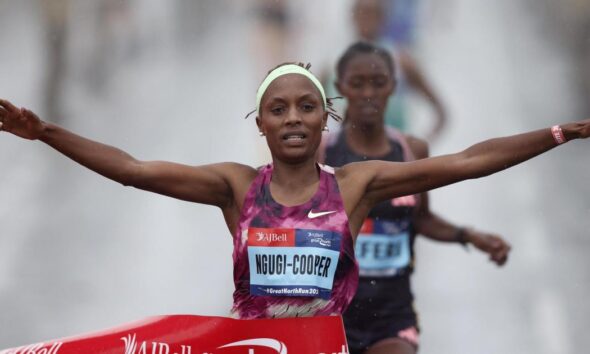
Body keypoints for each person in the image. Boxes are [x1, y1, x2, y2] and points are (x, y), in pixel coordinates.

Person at [0, 63, 588, 321]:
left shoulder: (356, 185)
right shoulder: (234, 187)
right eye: (277, 109)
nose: (293, 119)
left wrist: (559, 132)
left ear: (324, 118)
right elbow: (133, 168)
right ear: (260, 123)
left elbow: (467, 161)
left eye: (306, 106)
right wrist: (44, 132)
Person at [319, 42, 511, 354]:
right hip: (330, 314)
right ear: (340, 88)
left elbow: (420, 219)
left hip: (392, 316)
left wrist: (469, 236)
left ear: (393, 87)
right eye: (357, 84)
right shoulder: (322, 152)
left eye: (378, 83)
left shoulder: (411, 151)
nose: (368, 92)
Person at [325, 0, 446, 139]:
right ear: (352, 16)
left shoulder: (400, 60)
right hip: (341, 156)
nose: (366, 18)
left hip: (390, 154)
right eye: (362, 12)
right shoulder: (333, 60)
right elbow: (310, 102)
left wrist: (417, 147)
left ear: (384, 18)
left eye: (372, 13)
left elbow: (440, 112)